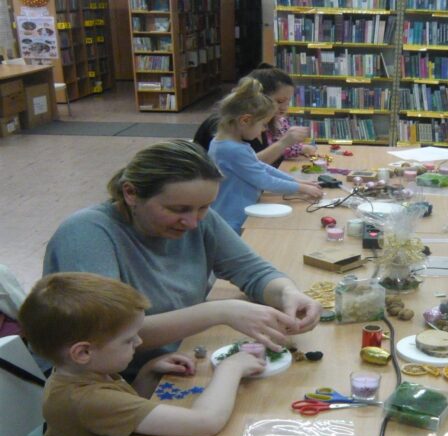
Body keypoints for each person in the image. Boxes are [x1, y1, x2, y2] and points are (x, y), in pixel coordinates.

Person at [43, 139, 321, 375]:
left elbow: (253, 271)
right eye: (178, 209)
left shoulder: (199, 218)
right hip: (114, 383)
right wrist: (220, 311)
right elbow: (107, 336)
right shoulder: (86, 234)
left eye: (204, 207)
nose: (192, 222)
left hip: (174, 360)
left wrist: (287, 293)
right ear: (130, 193)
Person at [18, 272, 266, 436]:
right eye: (128, 339)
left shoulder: (82, 371)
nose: (139, 342)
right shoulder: (86, 397)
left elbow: (124, 412)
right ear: (83, 352)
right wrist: (230, 368)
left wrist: (148, 372)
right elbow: (205, 422)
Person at [208, 78, 323, 233]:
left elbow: (260, 166)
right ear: (245, 120)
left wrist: (295, 181)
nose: (264, 130)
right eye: (263, 124)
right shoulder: (232, 150)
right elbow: (264, 180)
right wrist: (302, 188)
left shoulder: (227, 143)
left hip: (238, 214)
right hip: (233, 219)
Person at [193, 63, 317, 166]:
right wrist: (283, 143)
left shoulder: (260, 120)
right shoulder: (229, 125)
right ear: (260, 97)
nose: (285, 108)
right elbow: (249, 165)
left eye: (288, 101)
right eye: (279, 101)